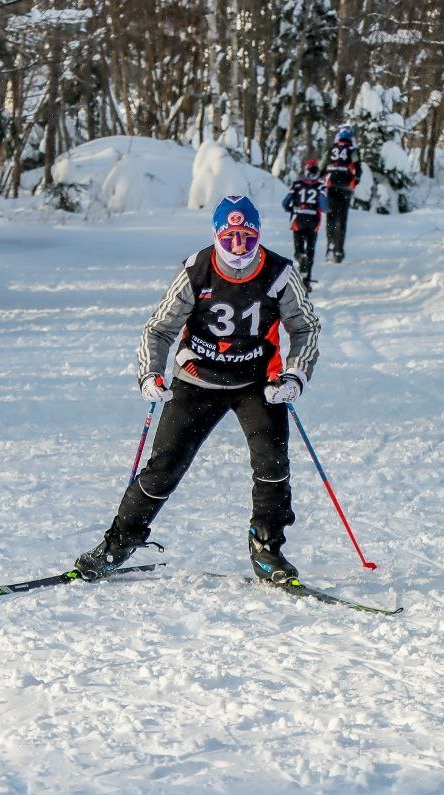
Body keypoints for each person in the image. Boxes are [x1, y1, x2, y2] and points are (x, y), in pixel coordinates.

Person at [75, 195, 322, 585]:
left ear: (258, 234)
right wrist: (150, 375)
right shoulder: (196, 270)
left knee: (272, 466)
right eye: (230, 237)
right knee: (164, 469)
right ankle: (117, 544)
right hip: (197, 379)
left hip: (258, 383)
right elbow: (159, 329)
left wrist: (294, 376)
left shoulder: (279, 272)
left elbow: (305, 327)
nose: (238, 247)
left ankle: (267, 551)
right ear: (217, 235)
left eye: (246, 237)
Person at [281, 158, 327, 290]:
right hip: (313, 221)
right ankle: (306, 282)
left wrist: (292, 209)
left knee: (298, 250)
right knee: (311, 250)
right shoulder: (320, 186)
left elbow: (285, 203)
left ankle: (300, 256)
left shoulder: (296, 185)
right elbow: (324, 207)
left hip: (298, 219)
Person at [321, 124, 361, 262]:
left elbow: (323, 165)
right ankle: (338, 251)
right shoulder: (353, 150)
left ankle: (329, 247)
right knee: (341, 220)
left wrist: (322, 179)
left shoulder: (332, 148)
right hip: (345, 187)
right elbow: (358, 168)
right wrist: (355, 181)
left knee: (330, 218)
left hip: (331, 186)